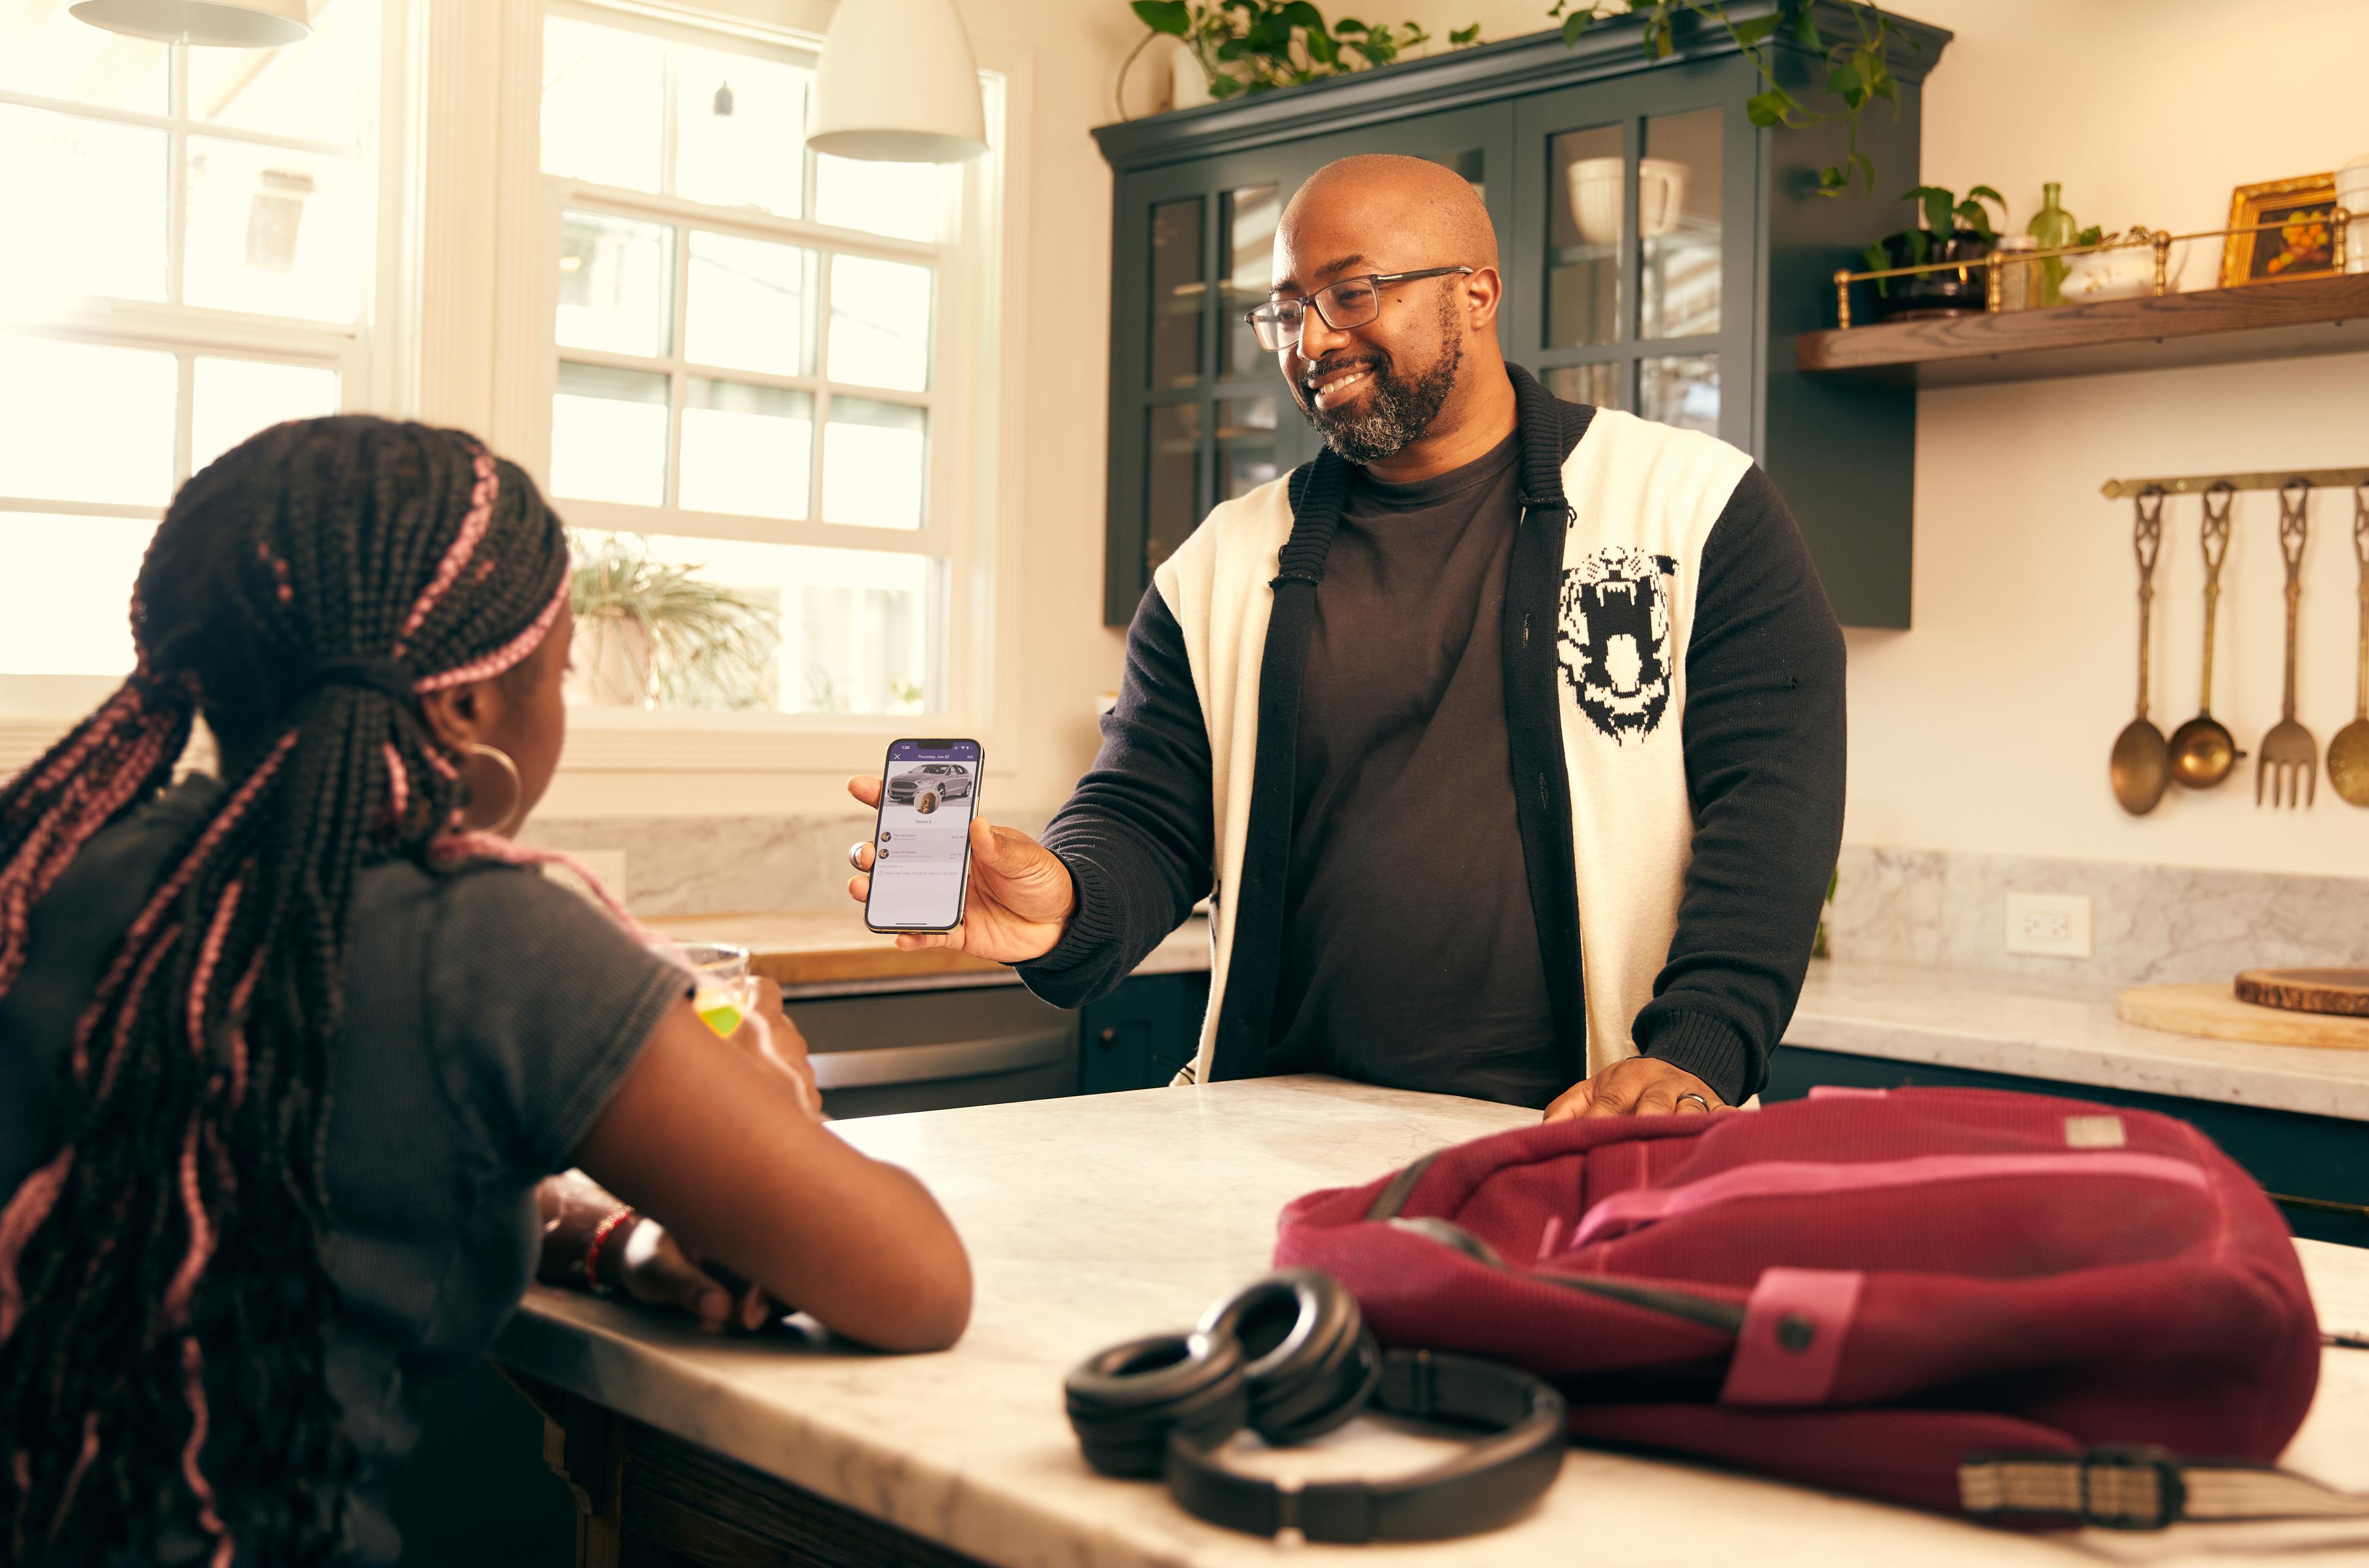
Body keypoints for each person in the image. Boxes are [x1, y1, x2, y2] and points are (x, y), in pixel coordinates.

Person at [0, 418, 969, 1568]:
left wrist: (615, 1246)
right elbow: (915, 1283)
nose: (563, 702)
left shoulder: (59, 858)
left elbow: (314, 1172)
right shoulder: (488, 934)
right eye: (558, 672)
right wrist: (763, 1090)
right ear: (464, 710)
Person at [846, 153, 1844, 1123]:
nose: (1312, 341)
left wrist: (1697, 1049)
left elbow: (1771, 808)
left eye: (1352, 294)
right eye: (1286, 309)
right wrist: (1062, 900)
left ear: (1478, 293)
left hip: (1591, 1130)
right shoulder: (1216, 570)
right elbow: (1146, 814)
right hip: (1279, 1126)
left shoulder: (1695, 509)